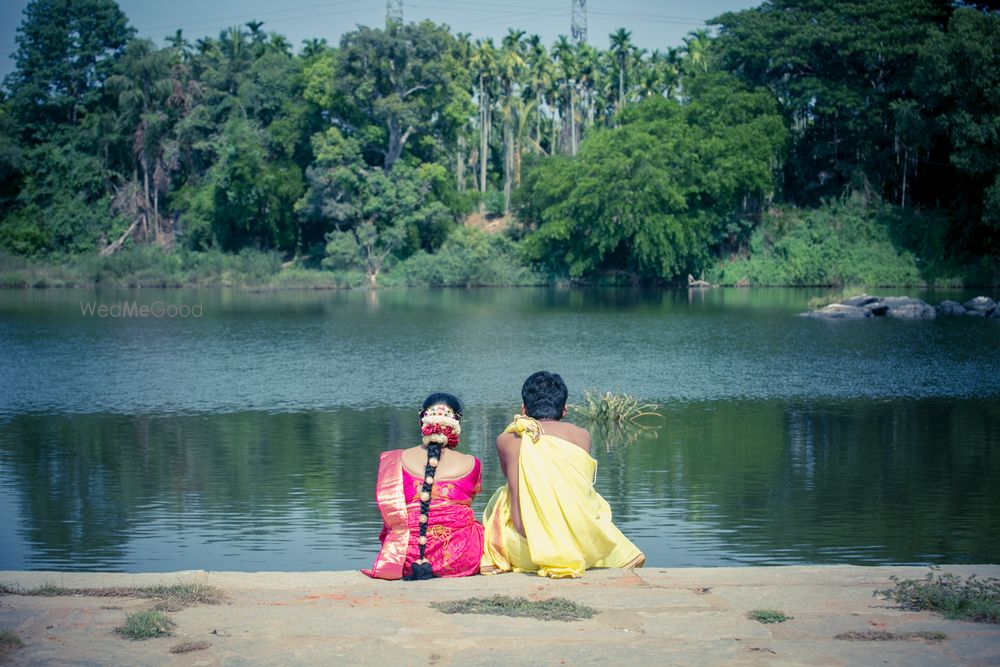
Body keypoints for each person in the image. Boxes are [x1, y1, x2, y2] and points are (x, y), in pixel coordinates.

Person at [481, 372, 645, 578]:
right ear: (565, 409)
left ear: (523, 409)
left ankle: (546, 552)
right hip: (582, 547)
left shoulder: (507, 440)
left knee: (503, 494)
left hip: (528, 551)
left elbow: (511, 477)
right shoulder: (582, 436)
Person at [362, 393, 484, 580]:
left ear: (422, 422)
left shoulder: (394, 460)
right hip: (460, 558)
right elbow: (469, 498)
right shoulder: (472, 464)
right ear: (457, 425)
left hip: (405, 559)